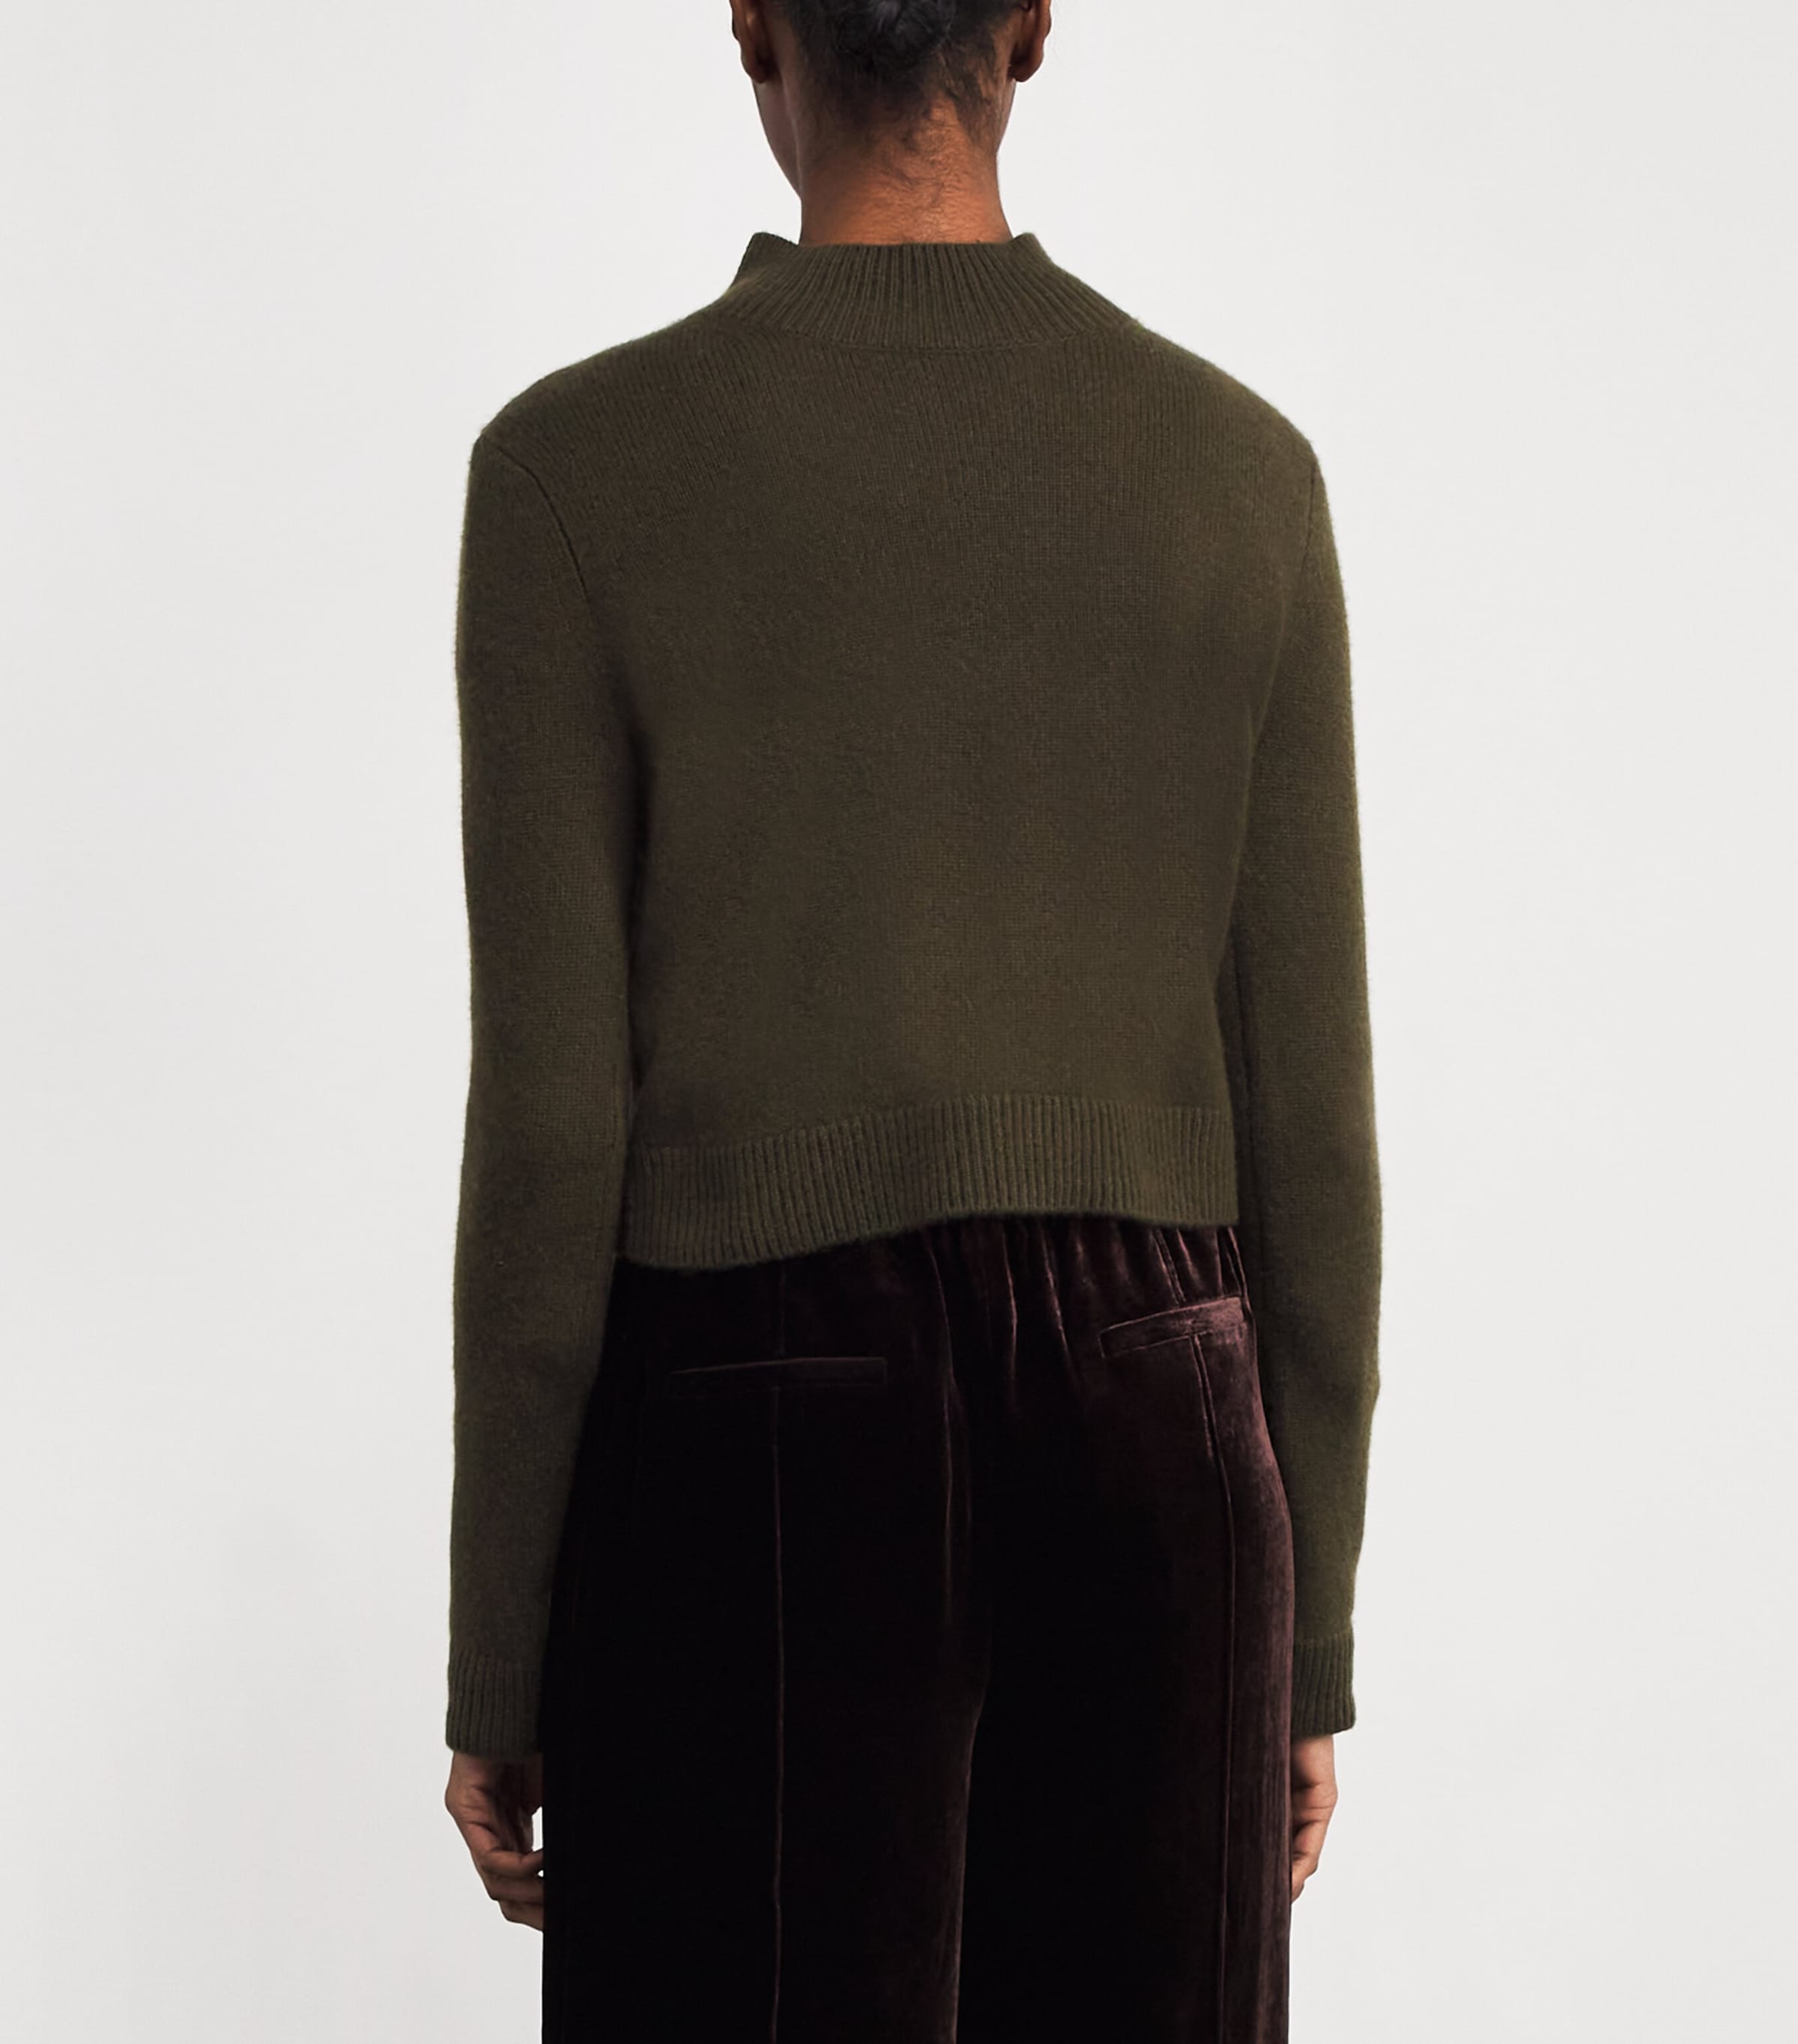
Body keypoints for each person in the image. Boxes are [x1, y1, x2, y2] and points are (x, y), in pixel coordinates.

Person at [441, 2, 1382, 2037]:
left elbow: (550, 1131)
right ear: (1030, 28)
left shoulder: (574, 475)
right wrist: (1306, 1636)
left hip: (754, 1416)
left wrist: (505, 1648)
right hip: (1161, 1415)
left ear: (751, 27)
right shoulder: (1242, 475)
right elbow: (1309, 1121)